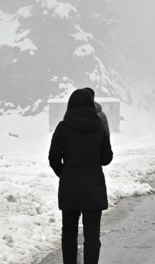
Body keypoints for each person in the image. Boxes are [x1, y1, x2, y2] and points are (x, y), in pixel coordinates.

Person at [49, 88, 114, 264]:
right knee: (92, 235)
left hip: (70, 187)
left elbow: (53, 158)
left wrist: (65, 175)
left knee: (69, 232)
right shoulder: (99, 127)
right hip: (94, 187)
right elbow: (106, 158)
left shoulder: (62, 127)